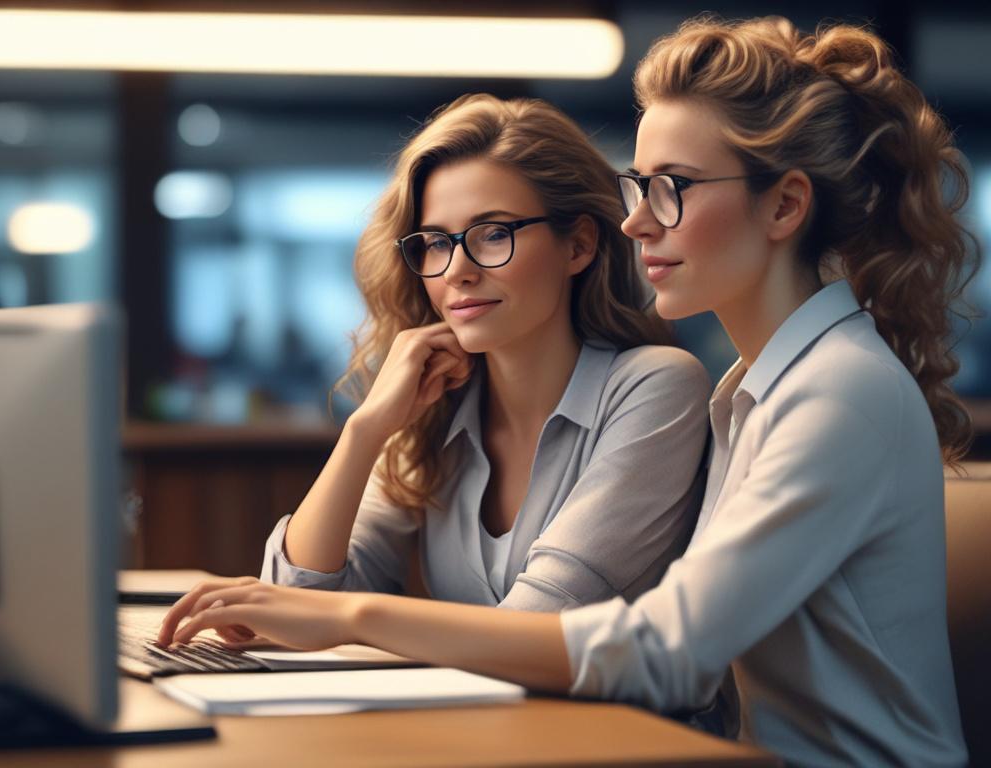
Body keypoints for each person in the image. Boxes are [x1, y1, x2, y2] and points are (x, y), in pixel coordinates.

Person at [159, 16, 977, 766]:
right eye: (639, 185)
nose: (637, 224)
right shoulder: (752, 388)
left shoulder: (839, 393)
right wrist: (367, 431)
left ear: (785, 204)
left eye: (675, 188)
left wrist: (352, 617)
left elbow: (665, 652)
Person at [264, 95, 711, 613]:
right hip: (467, 698)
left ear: (579, 246)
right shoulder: (434, 411)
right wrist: (365, 431)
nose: (456, 270)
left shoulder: (657, 386)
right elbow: (293, 605)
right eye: (435, 242)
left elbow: (542, 622)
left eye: (494, 233)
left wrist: (358, 620)